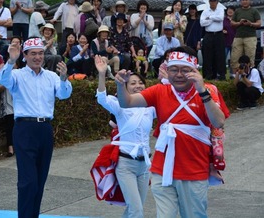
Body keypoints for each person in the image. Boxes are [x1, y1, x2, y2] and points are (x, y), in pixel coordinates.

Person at [114, 46, 228, 218]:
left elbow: (218, 121)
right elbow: (127, 102)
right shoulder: (160, 91)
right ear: (167, 70)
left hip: (194, 171)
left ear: (194, 71)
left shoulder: (208, 91)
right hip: (162, 171)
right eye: (174, 69)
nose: (179, 74)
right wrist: (120, 85)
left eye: (185, 70)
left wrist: (202, 91)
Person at [0, 37, 72, 218]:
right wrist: (10, 61)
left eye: (40, 53)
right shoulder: (17, 74)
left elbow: (64, 94)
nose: (37, 57)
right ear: (25, 55)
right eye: (33, 54)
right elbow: (3, 79)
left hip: (45, 129)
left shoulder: (51, 76)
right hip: (24, 129)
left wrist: (64, 78)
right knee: (27, 180)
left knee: (39, 180)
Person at [95, 55, 156, 218]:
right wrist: (102, 74)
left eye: (140, 82)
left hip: (144, 165)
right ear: (125, 86)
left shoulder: (150, 107)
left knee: (134, 209)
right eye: (133, 83)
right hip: (126, 164)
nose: (138, 86)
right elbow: (101, 98)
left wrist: (166, 78)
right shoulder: (120, 105)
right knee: (137, 210)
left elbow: (169, 102)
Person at [230, 0, 261, 70]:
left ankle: (249, 74)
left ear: (249, 1)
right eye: (243, 0)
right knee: (235, 57)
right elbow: (232, 23)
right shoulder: (237, 11)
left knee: (250, 56)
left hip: (250, 37)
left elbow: (259, 23)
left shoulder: (254, 11)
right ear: (241, 2)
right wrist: (239, 23)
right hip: (238, 37)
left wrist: (250, 23)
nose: (245, 1)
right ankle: (236, 75)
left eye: (246, 0)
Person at [200, 0, 226, 80]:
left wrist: (210, 18)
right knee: (208, 55)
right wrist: (212, 19)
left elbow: (220, 18)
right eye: (211, 1)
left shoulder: (221, 9)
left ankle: (221, 75)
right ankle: (209, 75)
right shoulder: (205, 11)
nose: (212, 2)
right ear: (209, 2)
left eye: (214, 1)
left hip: (219, 34)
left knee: (220, 55)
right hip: (209, 35)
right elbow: (202, 23)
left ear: (217, 2)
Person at [223, 6, 236, 78]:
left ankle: (232, 74)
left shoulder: (236, 20)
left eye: (231, 10)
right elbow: (220, 28)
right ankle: (223, 74)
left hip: (235, 41)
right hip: (225, 41)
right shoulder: (224, 20)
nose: (230, 11)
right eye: (228, 10)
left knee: (233, 59)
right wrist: (223, 31)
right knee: (223, 58)